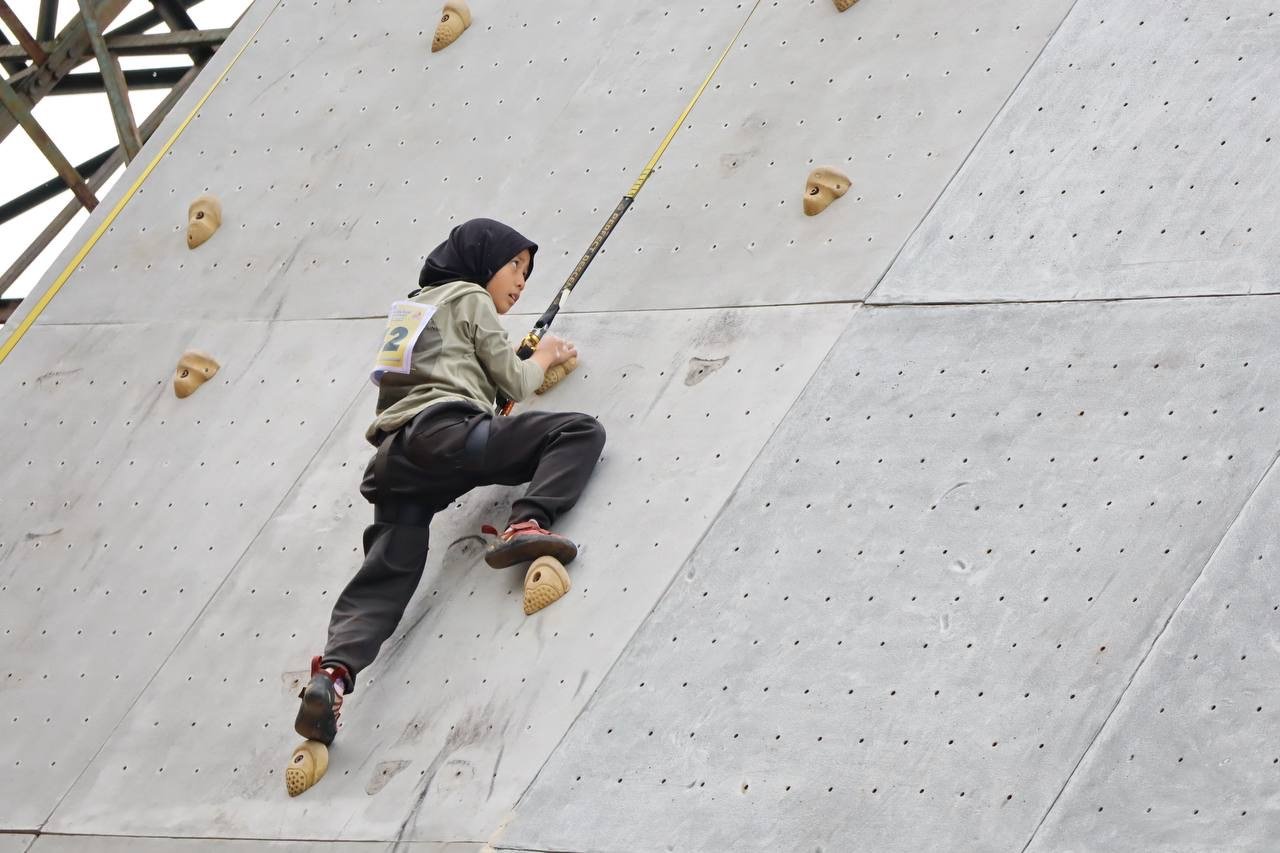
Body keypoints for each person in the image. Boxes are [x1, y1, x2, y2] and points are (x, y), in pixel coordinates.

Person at [294, 218, 605, 746]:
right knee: (578, 431)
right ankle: (526, 523)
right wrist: (545, 355)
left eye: (527, 273)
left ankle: (333, 675)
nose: (521, 281)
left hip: (397, 461)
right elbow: (517, 381)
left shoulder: (412, 310)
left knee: (385, 576)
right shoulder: (470, 296)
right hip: (448, 436)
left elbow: (433, 374)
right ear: (481, 262)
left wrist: (484, 394)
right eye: (514, 266)